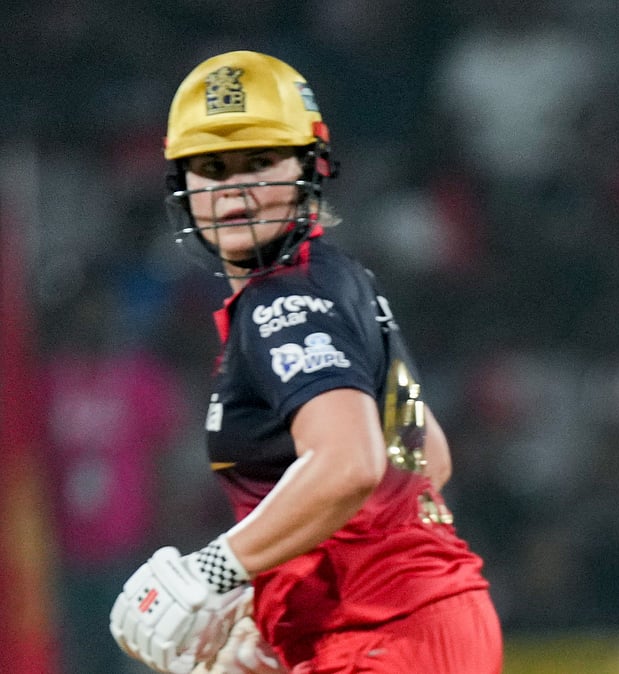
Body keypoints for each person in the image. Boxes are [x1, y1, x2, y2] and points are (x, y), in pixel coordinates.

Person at [108, 50, 503, 674]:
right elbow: (428, 459)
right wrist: (263, 598)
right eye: (211, 167)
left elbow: (349, 463)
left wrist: (213, 571)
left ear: (310, 168)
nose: (233, 188)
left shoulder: (283, 299)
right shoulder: (331, 277)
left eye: (259, 161)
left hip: (381, 633)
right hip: (423, 625)